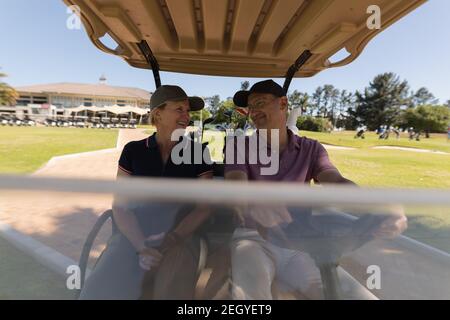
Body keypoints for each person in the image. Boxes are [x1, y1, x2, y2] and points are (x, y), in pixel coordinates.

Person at [225, 80, 408, 300]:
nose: (254, 112)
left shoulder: (311, 149)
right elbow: (236, 186)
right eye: (251, 107)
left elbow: (336, 182)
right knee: (249, 294)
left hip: (299, 242)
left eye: (260, 103)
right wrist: (256, 203)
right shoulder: (238, 146)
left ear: (283, 103)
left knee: (353, 294)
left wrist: (383, 206)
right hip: (253, 238)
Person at [79, 85, 214, 299]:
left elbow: (204, 208)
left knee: (170, 286)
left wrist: (173, 238)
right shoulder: (133, 151)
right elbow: (120, 205)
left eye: (188, 111)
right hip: (133, 235)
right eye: (179, 109)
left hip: (182, 237)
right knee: (99, 285)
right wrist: (141, 246)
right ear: (157, 113)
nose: (186, 116)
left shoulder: (199, 152)